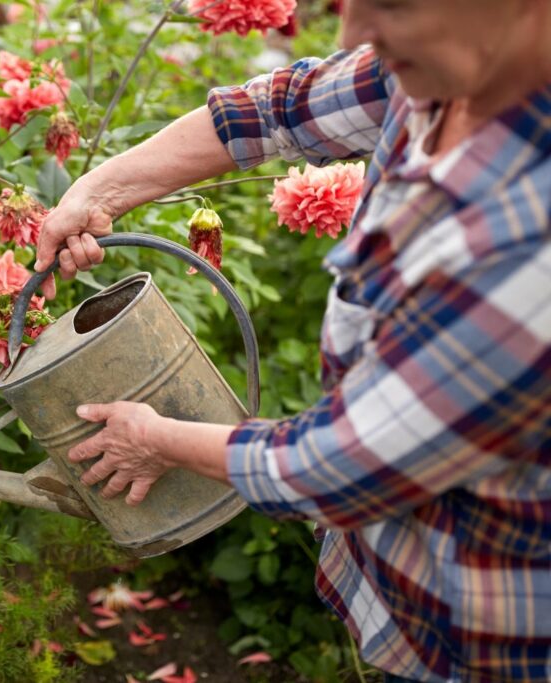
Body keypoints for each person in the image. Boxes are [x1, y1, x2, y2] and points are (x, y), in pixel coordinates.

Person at [33, 1, 551, 681]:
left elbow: (342, 463)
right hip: (406, 585)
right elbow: (281, 108)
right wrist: (101, 189)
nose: (351, 32)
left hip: (481, 638)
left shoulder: (526, 238)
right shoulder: (457, 69)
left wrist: (156, 437)